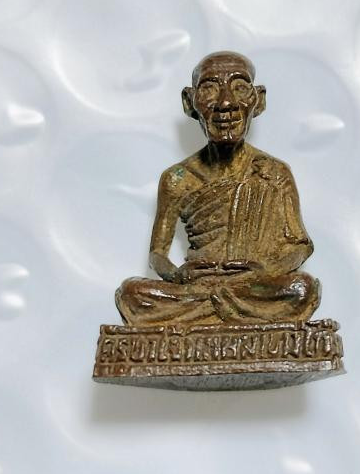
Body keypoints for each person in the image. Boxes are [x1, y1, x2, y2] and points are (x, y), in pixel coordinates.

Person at [116, 51, 320, 326]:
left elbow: (300, 245)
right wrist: (178, 275)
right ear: (189, 101)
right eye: (210, 89)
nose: (225, 103)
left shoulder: (273, 172)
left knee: (302, 289)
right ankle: (227, 314)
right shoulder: (177, 178)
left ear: (258, 100)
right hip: (197, 286)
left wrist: (263, 271)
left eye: (239, 88)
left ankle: (214, 314)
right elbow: (157, 254)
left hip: (250, 285)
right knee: (131, 293)